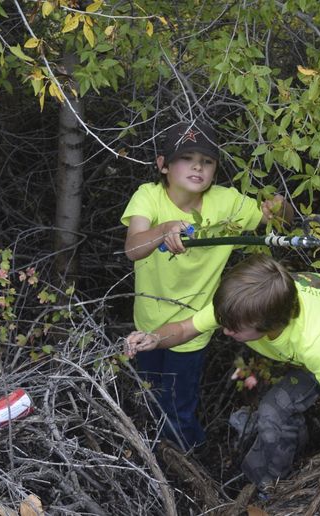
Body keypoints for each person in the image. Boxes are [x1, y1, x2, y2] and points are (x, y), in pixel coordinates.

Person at [124, 254, 320, 489]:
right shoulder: (239, 307)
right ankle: (300, 431)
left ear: (269, 325)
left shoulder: (313, 343)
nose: (225, 331)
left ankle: (271, 483)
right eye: (224, 322)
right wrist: (155, 337)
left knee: (272, 411)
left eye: (234, 329)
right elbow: (185, 328)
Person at [122, 120, 290, 451]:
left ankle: (188, 459)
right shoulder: (149, 197)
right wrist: (165, 228)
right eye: (187, 157)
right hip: (147, 323)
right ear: (163, 165)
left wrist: (281, 208)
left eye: (207, 161)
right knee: (152, 395)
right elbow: (133, 248)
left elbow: (276, 221)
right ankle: (159, 452)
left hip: (193, 330)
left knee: (178, 408)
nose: (198, 165)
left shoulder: (227, 203)